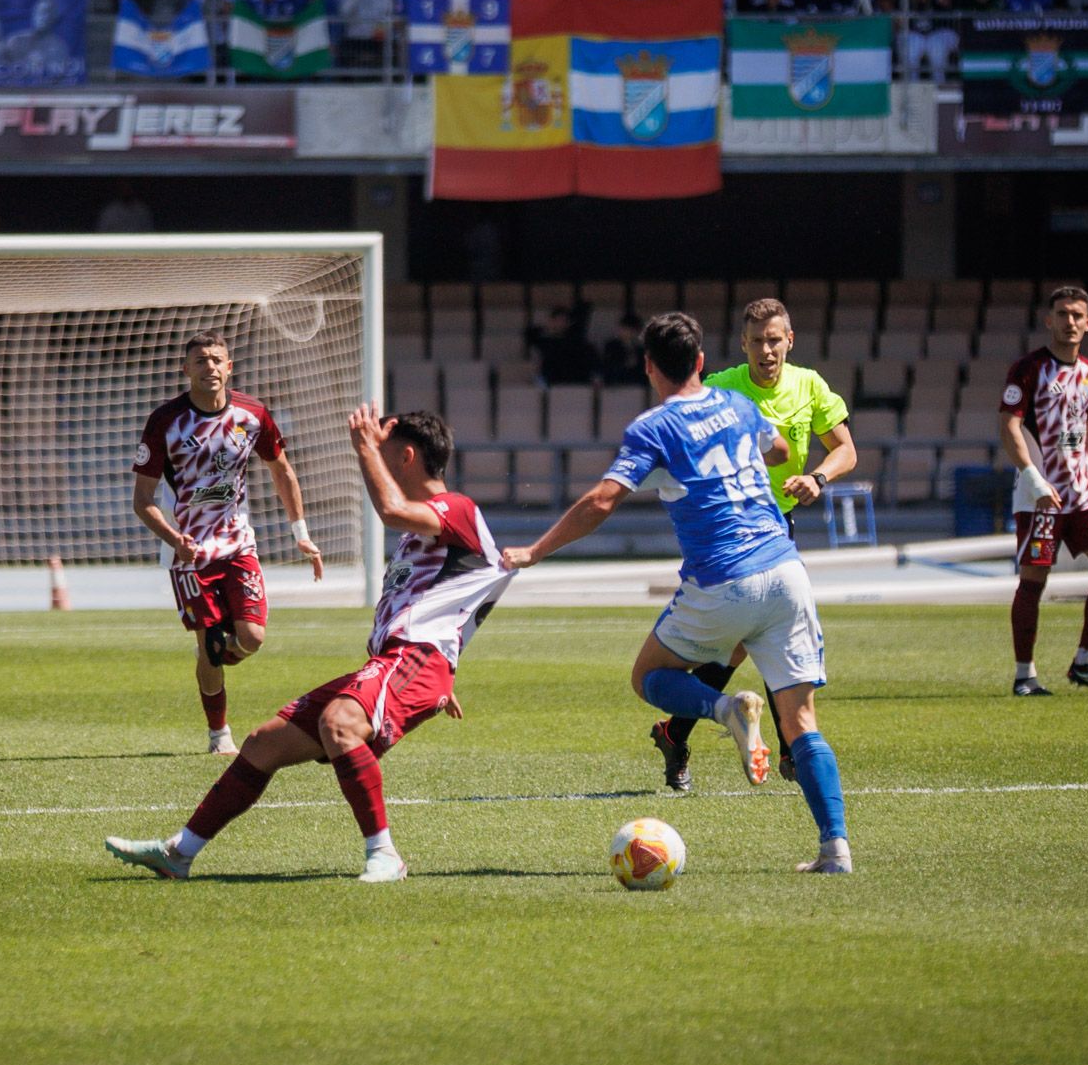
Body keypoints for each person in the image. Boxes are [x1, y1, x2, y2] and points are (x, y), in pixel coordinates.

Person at [503, 312, 852, 875]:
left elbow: (601, 501)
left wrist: (534, 551)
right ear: (700, 363)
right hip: (787, 570)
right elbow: (783, 454)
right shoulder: (738, 407)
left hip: (723, 578)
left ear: (648, 367)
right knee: (802, 721)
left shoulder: (654, 428)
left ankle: (723, 709)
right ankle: (835, 848)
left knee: (648, 677)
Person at [106, 407, 514, 882]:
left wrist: (362, 443)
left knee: (338, 723)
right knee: (262, 743)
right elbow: (459, 598)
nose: (373, 457)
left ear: (405, 456)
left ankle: (384, 855)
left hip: (415, 658)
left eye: (382, 450)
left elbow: (391, 512)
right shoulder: (425, 535)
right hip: (402, 663)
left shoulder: (456, 508)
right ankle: (180, 852)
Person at [647, 296, 857, 791]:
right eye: (757, 341)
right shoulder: (722, 388)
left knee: (749, 641)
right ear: (743, 345)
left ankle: (678, 733)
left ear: (790, 341)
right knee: (752, 639)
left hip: (776, 524)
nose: (767, 350)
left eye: (775, 340)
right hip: (730, 529)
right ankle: (784, 749)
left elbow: (845, 448)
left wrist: (818, 478)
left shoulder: (810, 386)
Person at [132, 332, 325, 756]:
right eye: (200, 361)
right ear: (186, 370)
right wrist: (173, 539)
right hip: (190, 555)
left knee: (252, 638)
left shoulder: (252, 414)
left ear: (230, 367)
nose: (210, 367)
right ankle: (219, 734)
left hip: (238, 545)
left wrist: (302, 535)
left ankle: (223, 650)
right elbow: (142, 500)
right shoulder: (165, 422)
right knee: (208, 649)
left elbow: (282, 472)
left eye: (217, 359)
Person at [999, 286, 1088, 697]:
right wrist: (1035, 480)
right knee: (1034, 580)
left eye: (1077, 315)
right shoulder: (1029, 369)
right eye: (1062, 314)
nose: (1070, 322)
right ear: (1049, 321)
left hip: (1084, 492)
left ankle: (1085, 662)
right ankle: (1025, 675)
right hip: (1042, 497)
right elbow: (1008, 425)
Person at [527, 305, 598, 386]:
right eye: (558, 320)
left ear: (568, 323)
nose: (561, 324)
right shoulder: (543, 342)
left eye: (564, 321)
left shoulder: (577, 343)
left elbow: (591, 361)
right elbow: (530, 335)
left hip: (576, 383)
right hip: (553, 384)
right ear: (552, 321)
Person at [599, 313, 646, 386]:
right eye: (624, 329)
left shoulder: (640, 350)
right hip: (615, 385)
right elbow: (608, 367)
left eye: (631, 330)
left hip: (635, 386)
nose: (627, 332)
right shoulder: (612, 347)